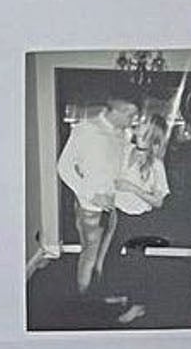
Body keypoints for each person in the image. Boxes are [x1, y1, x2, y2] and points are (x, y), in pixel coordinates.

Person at [56, 92, 142, 312]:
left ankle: (96, 296)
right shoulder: (86, 129)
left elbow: (119, 169)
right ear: (117, 110)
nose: (133, 119)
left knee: (105, 254)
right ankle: (82, 303)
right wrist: (91, 195)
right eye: (131, 114)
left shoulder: (123, 134)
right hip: (90, 207)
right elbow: (64, 168)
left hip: (113, 206)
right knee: (89, 254)